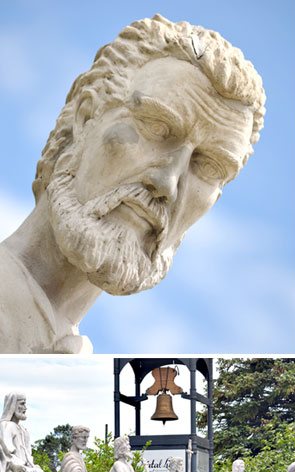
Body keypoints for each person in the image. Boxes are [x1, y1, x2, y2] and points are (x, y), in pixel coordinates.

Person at [0, 15, 265, 353]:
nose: (168, 183)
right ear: (85, 117)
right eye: (156, 128)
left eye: (209, 167)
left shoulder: (67, 354)